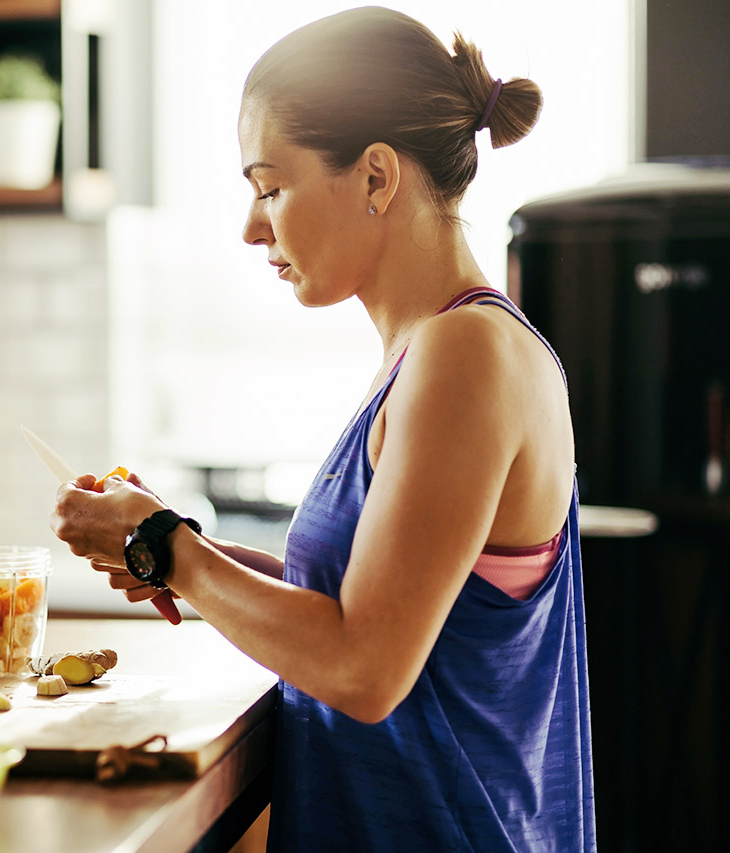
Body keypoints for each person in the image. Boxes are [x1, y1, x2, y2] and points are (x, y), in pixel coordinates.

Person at [49, 6, 594, 852]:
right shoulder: (432, 352)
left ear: (377, 177)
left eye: (270, 186)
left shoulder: (466, 355)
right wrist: (176, 546)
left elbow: (364, 669)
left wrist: (167, 548)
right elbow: (372, 600)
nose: (252, 225)